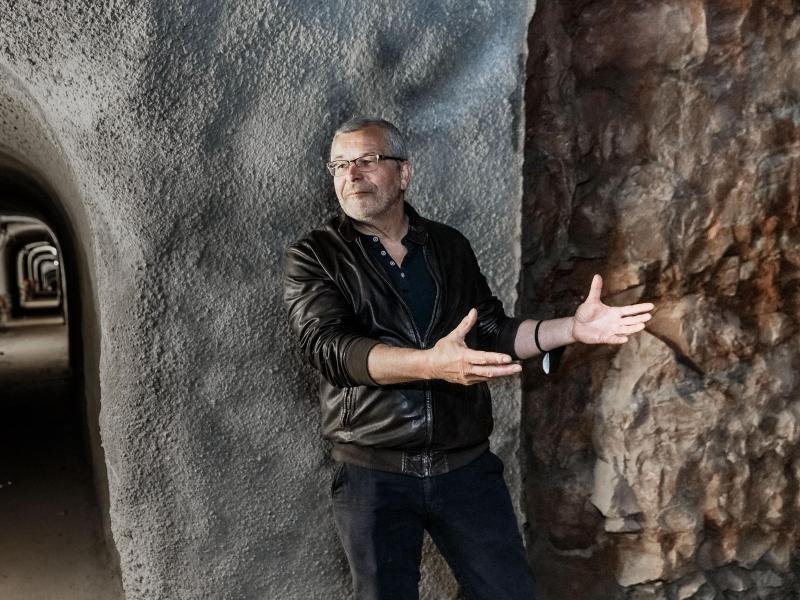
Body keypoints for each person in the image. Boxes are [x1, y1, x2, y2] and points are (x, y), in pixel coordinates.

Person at [282, 117, 654, 600]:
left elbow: (493, 331)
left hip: (465, 469)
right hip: (374, 473)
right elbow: (327, 350)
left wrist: (572, 329)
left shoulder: (448, 246)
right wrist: (430, 364)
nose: (351, 175)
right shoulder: (315, 255)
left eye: (368, 161)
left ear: (404, 173)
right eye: (340, 165)